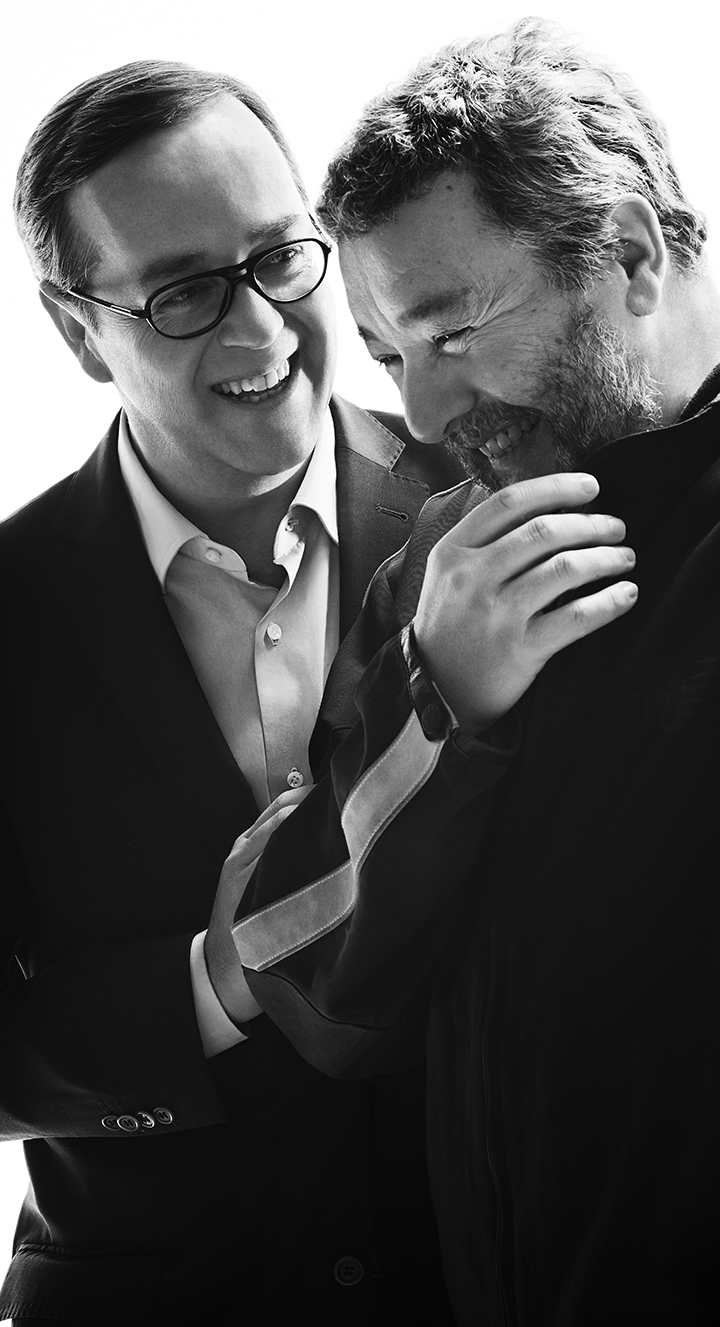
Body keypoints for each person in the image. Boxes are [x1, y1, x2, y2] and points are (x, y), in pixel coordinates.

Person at [211, 19, 720, 1326]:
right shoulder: (435, 568)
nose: (425, 418)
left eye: (451, 332)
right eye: (389, 358)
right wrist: (440, 697)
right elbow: (298, 972)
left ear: (632, 256)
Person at [0, 60, 464, 1326]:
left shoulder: (482, 503)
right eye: (183, 293)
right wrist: (219, 980)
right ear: (76, 330)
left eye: (277, 259)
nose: (259, 332)